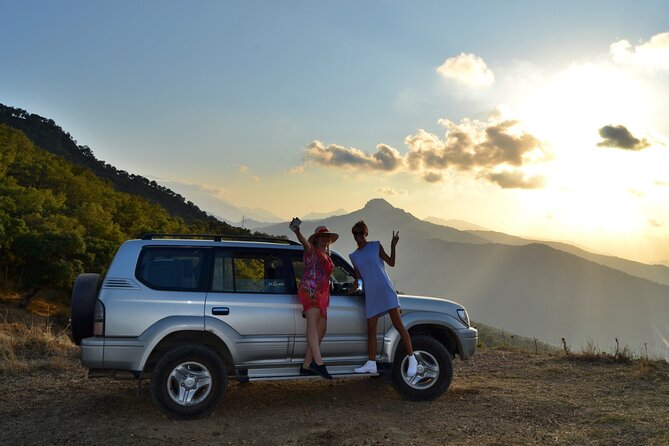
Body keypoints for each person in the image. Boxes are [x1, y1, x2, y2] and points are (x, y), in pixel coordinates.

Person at [348, 220, 417, 377]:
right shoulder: (354, 256)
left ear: (366, 233)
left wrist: (393, 245)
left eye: (361, 233)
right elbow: (359, 279)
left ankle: (412, 358)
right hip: (371, 294)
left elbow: (391, 263)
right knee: (371, 329)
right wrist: (350, 292)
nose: (358, 236)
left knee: (398, 325)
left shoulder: (375, 246)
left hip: (385, 290)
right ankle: (371, 363)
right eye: (355, 233)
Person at [290, 221, 339, 380]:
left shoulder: (327, 255)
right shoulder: (311, 251)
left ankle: (306, 365)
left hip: (323, 293)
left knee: (322, 329)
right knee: (312, 324)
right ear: (316, 239)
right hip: (310, 290)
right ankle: (319, 363)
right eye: (321, 237)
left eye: (327, 237)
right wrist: (298, 232)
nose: (324, 239)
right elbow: (305, 243)